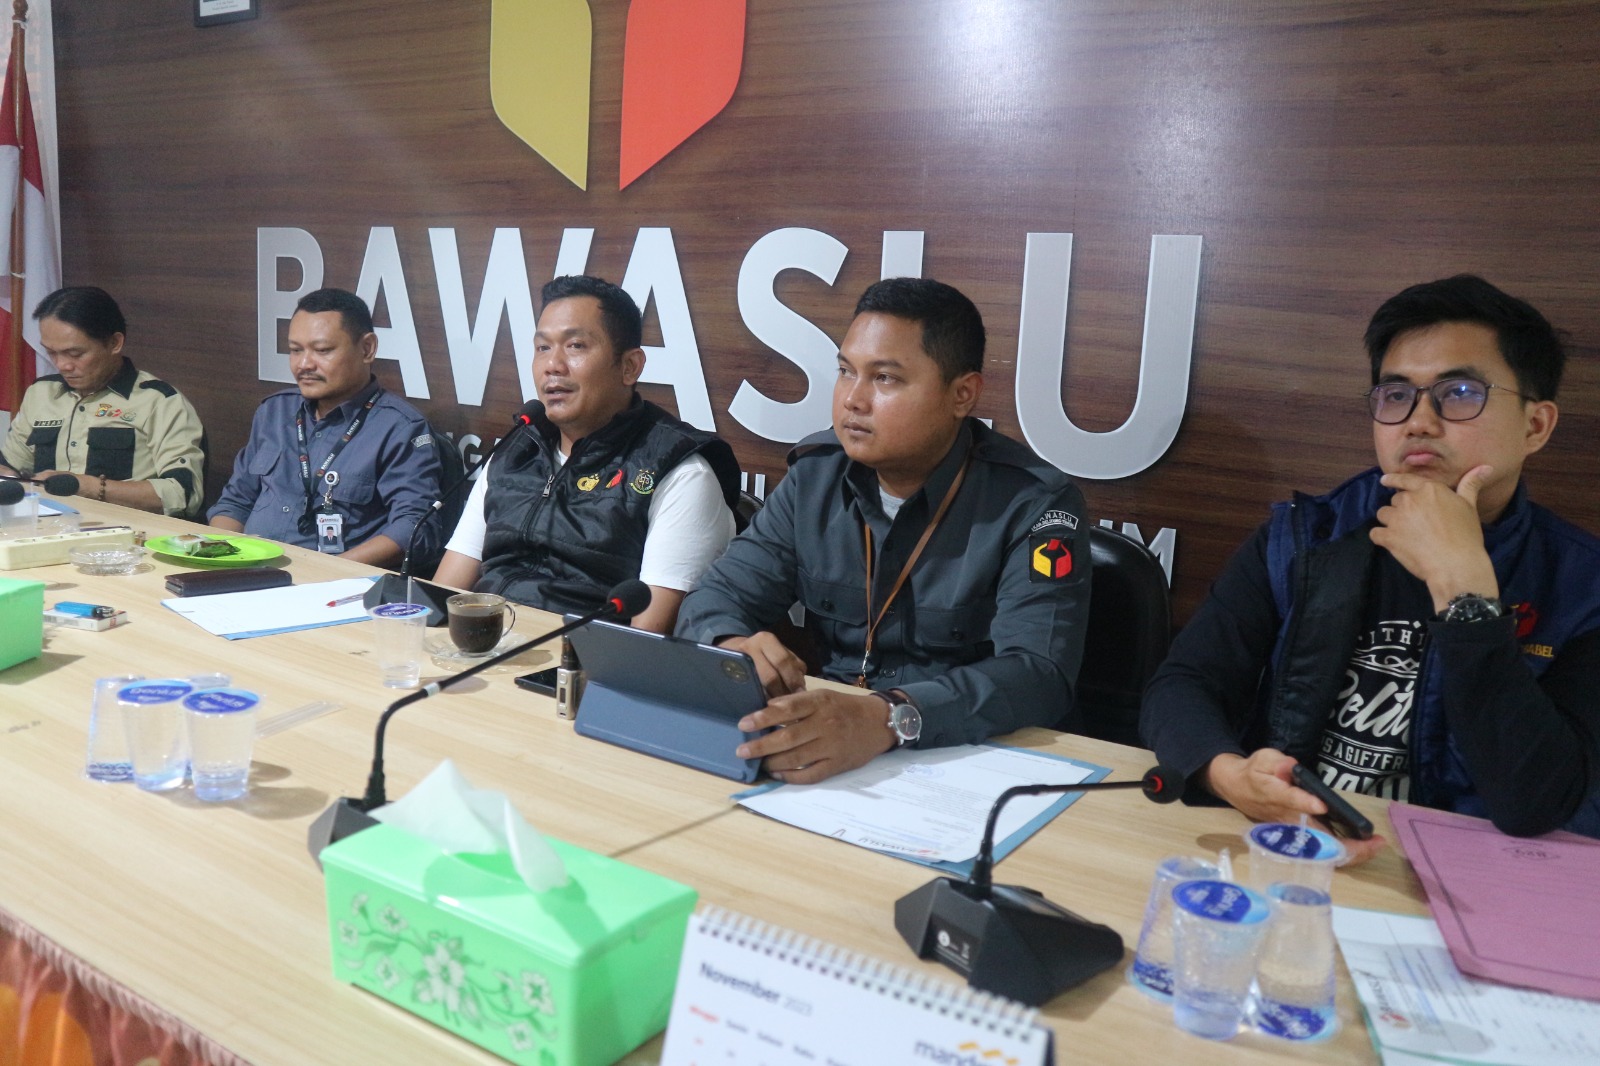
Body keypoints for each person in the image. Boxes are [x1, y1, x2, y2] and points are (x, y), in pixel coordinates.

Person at [1141, 275, 1600, 847]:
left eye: (1460, 393)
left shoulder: (1583, 585)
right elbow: (1182, 685)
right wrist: (1226, 774)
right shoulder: (1305, 537)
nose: (1419, 421)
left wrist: (1465, 592)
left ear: (1536, 426)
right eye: (1397, 395)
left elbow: (1536, 803)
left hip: (1468, 865)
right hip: (1295, 843)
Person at [675, 277, 1091, 784]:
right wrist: (729, 644)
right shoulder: (815, 477)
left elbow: (1038, 675)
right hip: (830, 745)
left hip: (965, 757)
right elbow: (714, 597)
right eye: (845, 371)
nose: (853, 399)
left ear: (962, 394)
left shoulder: (1034, 503)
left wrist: (887, 717)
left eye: (885, 379)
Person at [433, 275, 740, 634]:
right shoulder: (516, 450)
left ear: (630, 366)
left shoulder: (679, 472)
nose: (553, 365)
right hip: (482, 646)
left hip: (579, 659)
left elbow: (646, 638)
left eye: (575, 346)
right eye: (543, 348)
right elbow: (444, 597)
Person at [207, 288, 442, 568]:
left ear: (367, 349)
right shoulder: (274, 412)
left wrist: (328, 571)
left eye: (322, 350)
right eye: (295, 350)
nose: (304, 364)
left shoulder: (400, 428)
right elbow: (235, 502)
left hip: (335, 580)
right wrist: (225, 558)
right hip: (246, 569)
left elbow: (413, 527)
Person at [1, 286, 206, 518]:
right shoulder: (41, 393)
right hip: (46, 525)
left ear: (114, 343)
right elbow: (11, 467)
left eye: (75, 354)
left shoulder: (159, 402)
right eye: (52, 353)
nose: (62, 365)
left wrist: (88, 487)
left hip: (127, 531)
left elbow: (183, 494)